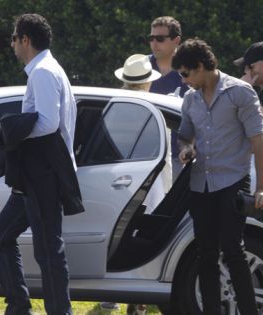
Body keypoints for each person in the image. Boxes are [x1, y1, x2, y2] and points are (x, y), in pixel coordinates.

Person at [0, 14, 84, 315]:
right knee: (0, 238)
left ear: (25, 40)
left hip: (44, 173)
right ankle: (19, 306)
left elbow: (48, 123)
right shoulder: (46, 70)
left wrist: (5, 130)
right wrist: (7, 128)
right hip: (36, 173)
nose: (13, 45)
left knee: (48, 251)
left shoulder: (42, 72)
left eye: (14, 39)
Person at [173, 38, 263, 315]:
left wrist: (262, 188)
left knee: (232, 250)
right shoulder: (190, 98)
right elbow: (184, 135)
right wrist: (186, 148)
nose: (183, 80)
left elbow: (258, 140)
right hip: (200, 184)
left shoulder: (240, 92)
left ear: (201, 66)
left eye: (185, 74)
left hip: (232, 182)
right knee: (205, 254)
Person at [100, 54, 163, 315]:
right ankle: (138, 297)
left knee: (115, 239)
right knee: (143, 240)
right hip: (148, 182)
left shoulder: (113, 106)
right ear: (148, 82)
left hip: (115, 182)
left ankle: (111, 294)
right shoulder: (154, 107)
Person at [148, 16, 188, 182]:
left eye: (160, 39)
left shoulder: (190, 71)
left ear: (176, 40)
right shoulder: (141, 67)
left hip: (180, 157)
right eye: (151, 38)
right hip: (144, 156)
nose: (154, 43)